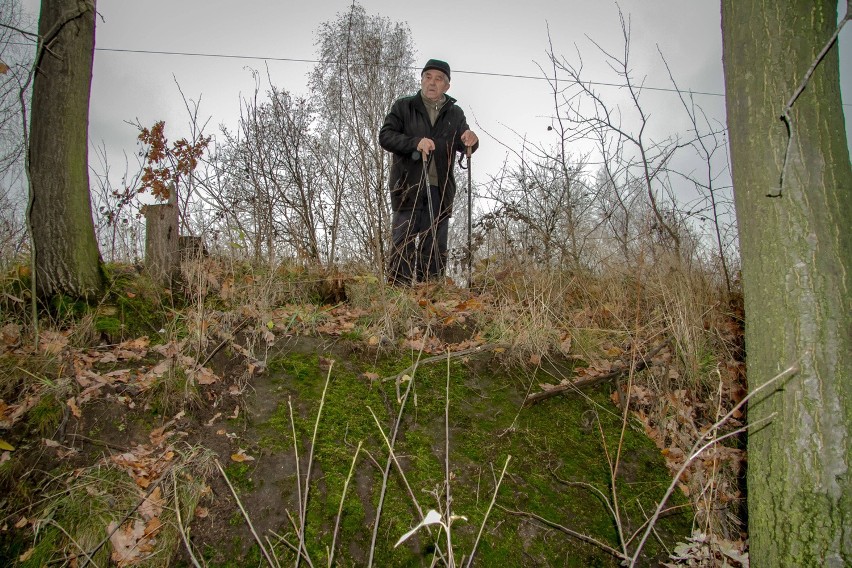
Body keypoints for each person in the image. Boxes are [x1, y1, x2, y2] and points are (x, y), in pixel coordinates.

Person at [379, 58, 479, 286]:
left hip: (440, 189)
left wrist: (471, 139)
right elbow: (385, 136)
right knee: (403, 240)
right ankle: (398, 294)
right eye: (428, 77)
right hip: (408, 185)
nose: (432, 82)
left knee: (434, 243)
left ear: (447, 86)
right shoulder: (404, 106)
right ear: (422, 79)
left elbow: (465, 142)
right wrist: (416, 142)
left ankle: (431, 294)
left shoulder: (455, 113)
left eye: (439, 79)